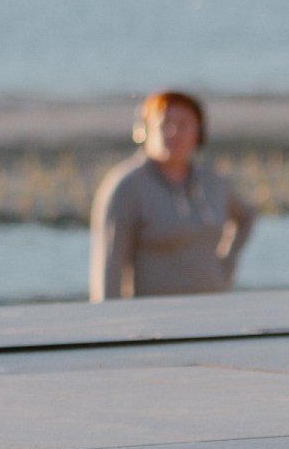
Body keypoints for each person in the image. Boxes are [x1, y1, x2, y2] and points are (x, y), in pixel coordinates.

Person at [90, 89, 257, 299]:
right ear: (143, 130)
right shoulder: (126, 186)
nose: (174, 132)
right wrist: (111, 322)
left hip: (214, 311)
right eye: (164, 124)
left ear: (198, 133)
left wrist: (227, 261)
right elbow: (109, 268)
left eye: (184, 125)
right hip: (155, 320)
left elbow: (247, 214)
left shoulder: (213, 182)